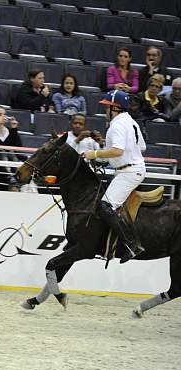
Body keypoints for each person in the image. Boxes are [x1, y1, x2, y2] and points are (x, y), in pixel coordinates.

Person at [83, 90, 146, 263]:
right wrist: (106, 146)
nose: (105, 110)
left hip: (129, 172)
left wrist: (94, 153)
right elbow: (142, 148)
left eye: (107, 107)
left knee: (105, 207)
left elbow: (118, 150)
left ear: (115, 108)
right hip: (131, 169)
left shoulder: (117, 124)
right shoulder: (130, 122)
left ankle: (132, 245)